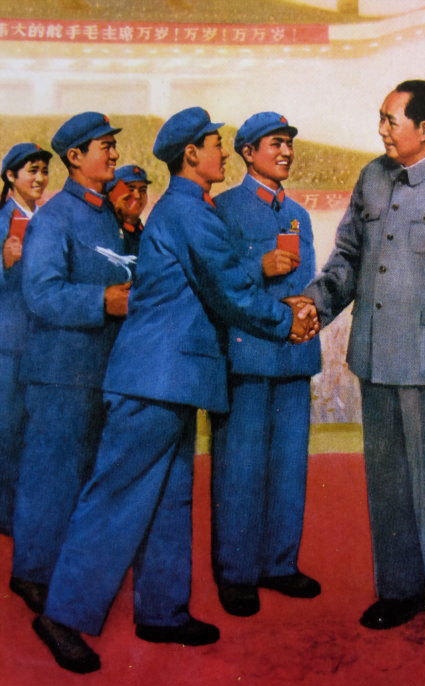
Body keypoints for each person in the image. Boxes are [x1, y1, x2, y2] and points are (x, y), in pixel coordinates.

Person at [32, 107, 318, 674]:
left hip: (172, 377)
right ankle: (61, 616)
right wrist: (286, 322)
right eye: (215, 144)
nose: (222, 152)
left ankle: (162, 613)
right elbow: (229, 287)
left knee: (169, 499)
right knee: (118, 497)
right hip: (156, 378)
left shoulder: (189, 208)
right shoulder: (188, 210)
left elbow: (223, 281)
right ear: (191, 154)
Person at [303, 80, 425, 652]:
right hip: (376, 357)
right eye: (382, 118)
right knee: (388, 487)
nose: (382, 130)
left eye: (392, 121)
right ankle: (401, 591)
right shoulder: (372, 176)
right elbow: (348, 256)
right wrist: (315, 304)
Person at [10, 113, 131, 614]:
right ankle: (33, 574)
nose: (114, 154)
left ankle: (66, 570)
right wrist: (103, 300)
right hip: (60, 373)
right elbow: (40, 295)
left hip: (100, 370)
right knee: (52, 476)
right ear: (75, 157)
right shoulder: (54, 217)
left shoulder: (106, 214)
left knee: (85, 476)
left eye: (113, 145)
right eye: (104, 146)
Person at [212, 112, 321, 617]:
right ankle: (236, 573)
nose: (285, 152)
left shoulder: (298, 214)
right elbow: (217, 283)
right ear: (248, 152)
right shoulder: (223, 209)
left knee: (288, 468)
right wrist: (258, 266)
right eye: (275, 144)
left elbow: (306, 282)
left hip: (294, 356)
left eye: (289, 144)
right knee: (240, 469)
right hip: (248, 357)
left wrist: (308, 309)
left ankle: (280, 564)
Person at [0, 143, 52, 536]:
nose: (39, 178)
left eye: (43, 171)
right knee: (8, 429)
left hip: (42, 343)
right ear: (10, 176)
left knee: (36, 430)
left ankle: (26, 511)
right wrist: (4, 263)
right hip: (9, 343)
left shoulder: (44, 218)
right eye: (31, 171)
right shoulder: (3, 220)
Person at [105, 164, 151, 256]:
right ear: (110, 194)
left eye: (142, 190)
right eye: (130, 189)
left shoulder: (143, 233)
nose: (137, 196)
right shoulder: (104, 228)